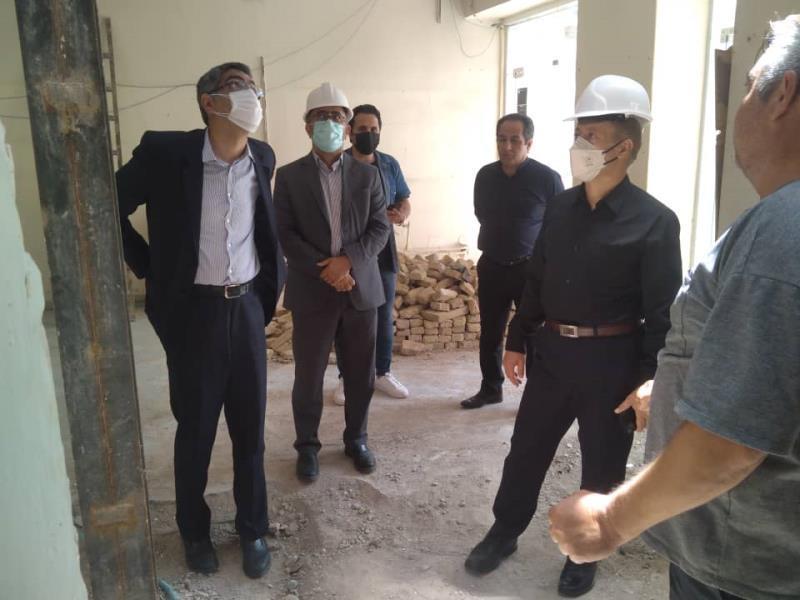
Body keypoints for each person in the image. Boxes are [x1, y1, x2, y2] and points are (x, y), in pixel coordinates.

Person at [549, 16, 800, 600]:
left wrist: (610, 521)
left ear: (782, 93)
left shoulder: (782, 229)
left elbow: (730, 439)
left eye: (748, 87)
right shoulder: (563, 207)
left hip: (741, 566)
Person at [463, 75, 682, 598]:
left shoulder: (655, 222)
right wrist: (517, 338)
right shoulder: (559, 207)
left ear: (624, 147)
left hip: (614, 362)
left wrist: (649, 378)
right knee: (526, 449)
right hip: (553, 354)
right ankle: (504, 530)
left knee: (602, 460)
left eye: (592, 135)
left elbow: (662, 314)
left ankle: (588, 548)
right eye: (578, 133)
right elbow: (536, 278)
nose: (580, 144)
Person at [116, 62, 285, 578]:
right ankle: (194, 531)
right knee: (196, 430)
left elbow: (261, 230)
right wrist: (150, 267)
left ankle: (253, 529)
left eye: (252, 86)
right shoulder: (167, 154)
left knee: (250, 430)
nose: (251, 94)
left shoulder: (263, 156)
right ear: (209, 103)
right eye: (236, 86)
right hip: (194, 315)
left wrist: (264, 294)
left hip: (247, 309)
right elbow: (105, 205)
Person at [274, 83, 390, 483]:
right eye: (320, 117)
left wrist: (347, 262)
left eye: (337, 117)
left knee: (360, 374)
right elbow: (285, 233)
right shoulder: (289, 177)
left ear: (348, 126)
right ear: (307, 127)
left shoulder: (368, 175)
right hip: (312, 290)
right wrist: (327, 269)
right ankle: (307, 446)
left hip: (361, 290)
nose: (329, 123)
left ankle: (357, 439)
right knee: (308, 376)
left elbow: (380, 228)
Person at [461, 113, 564, 409]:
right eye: (501, 139)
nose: (507, 146)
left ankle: (536, 396)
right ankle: (491, 388)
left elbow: (559, 224)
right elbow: (481, 213)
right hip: (492, 265)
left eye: (514, 140)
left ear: (528, 143)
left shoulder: (547, 179)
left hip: (529, 269)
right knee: (490, 332)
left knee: (533, 333)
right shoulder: (485, 176)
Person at [331, 103, 412, 405]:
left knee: (383, 312)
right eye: (362, 129)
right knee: (347, 315)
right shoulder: (337, 164)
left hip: (382, 247)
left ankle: (382, 372)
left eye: (374, 129)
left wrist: (402, 213)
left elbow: (404, 197)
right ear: (350, 131)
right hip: (349, 249)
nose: (369, 134)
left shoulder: (388, 164)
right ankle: (346, 376)